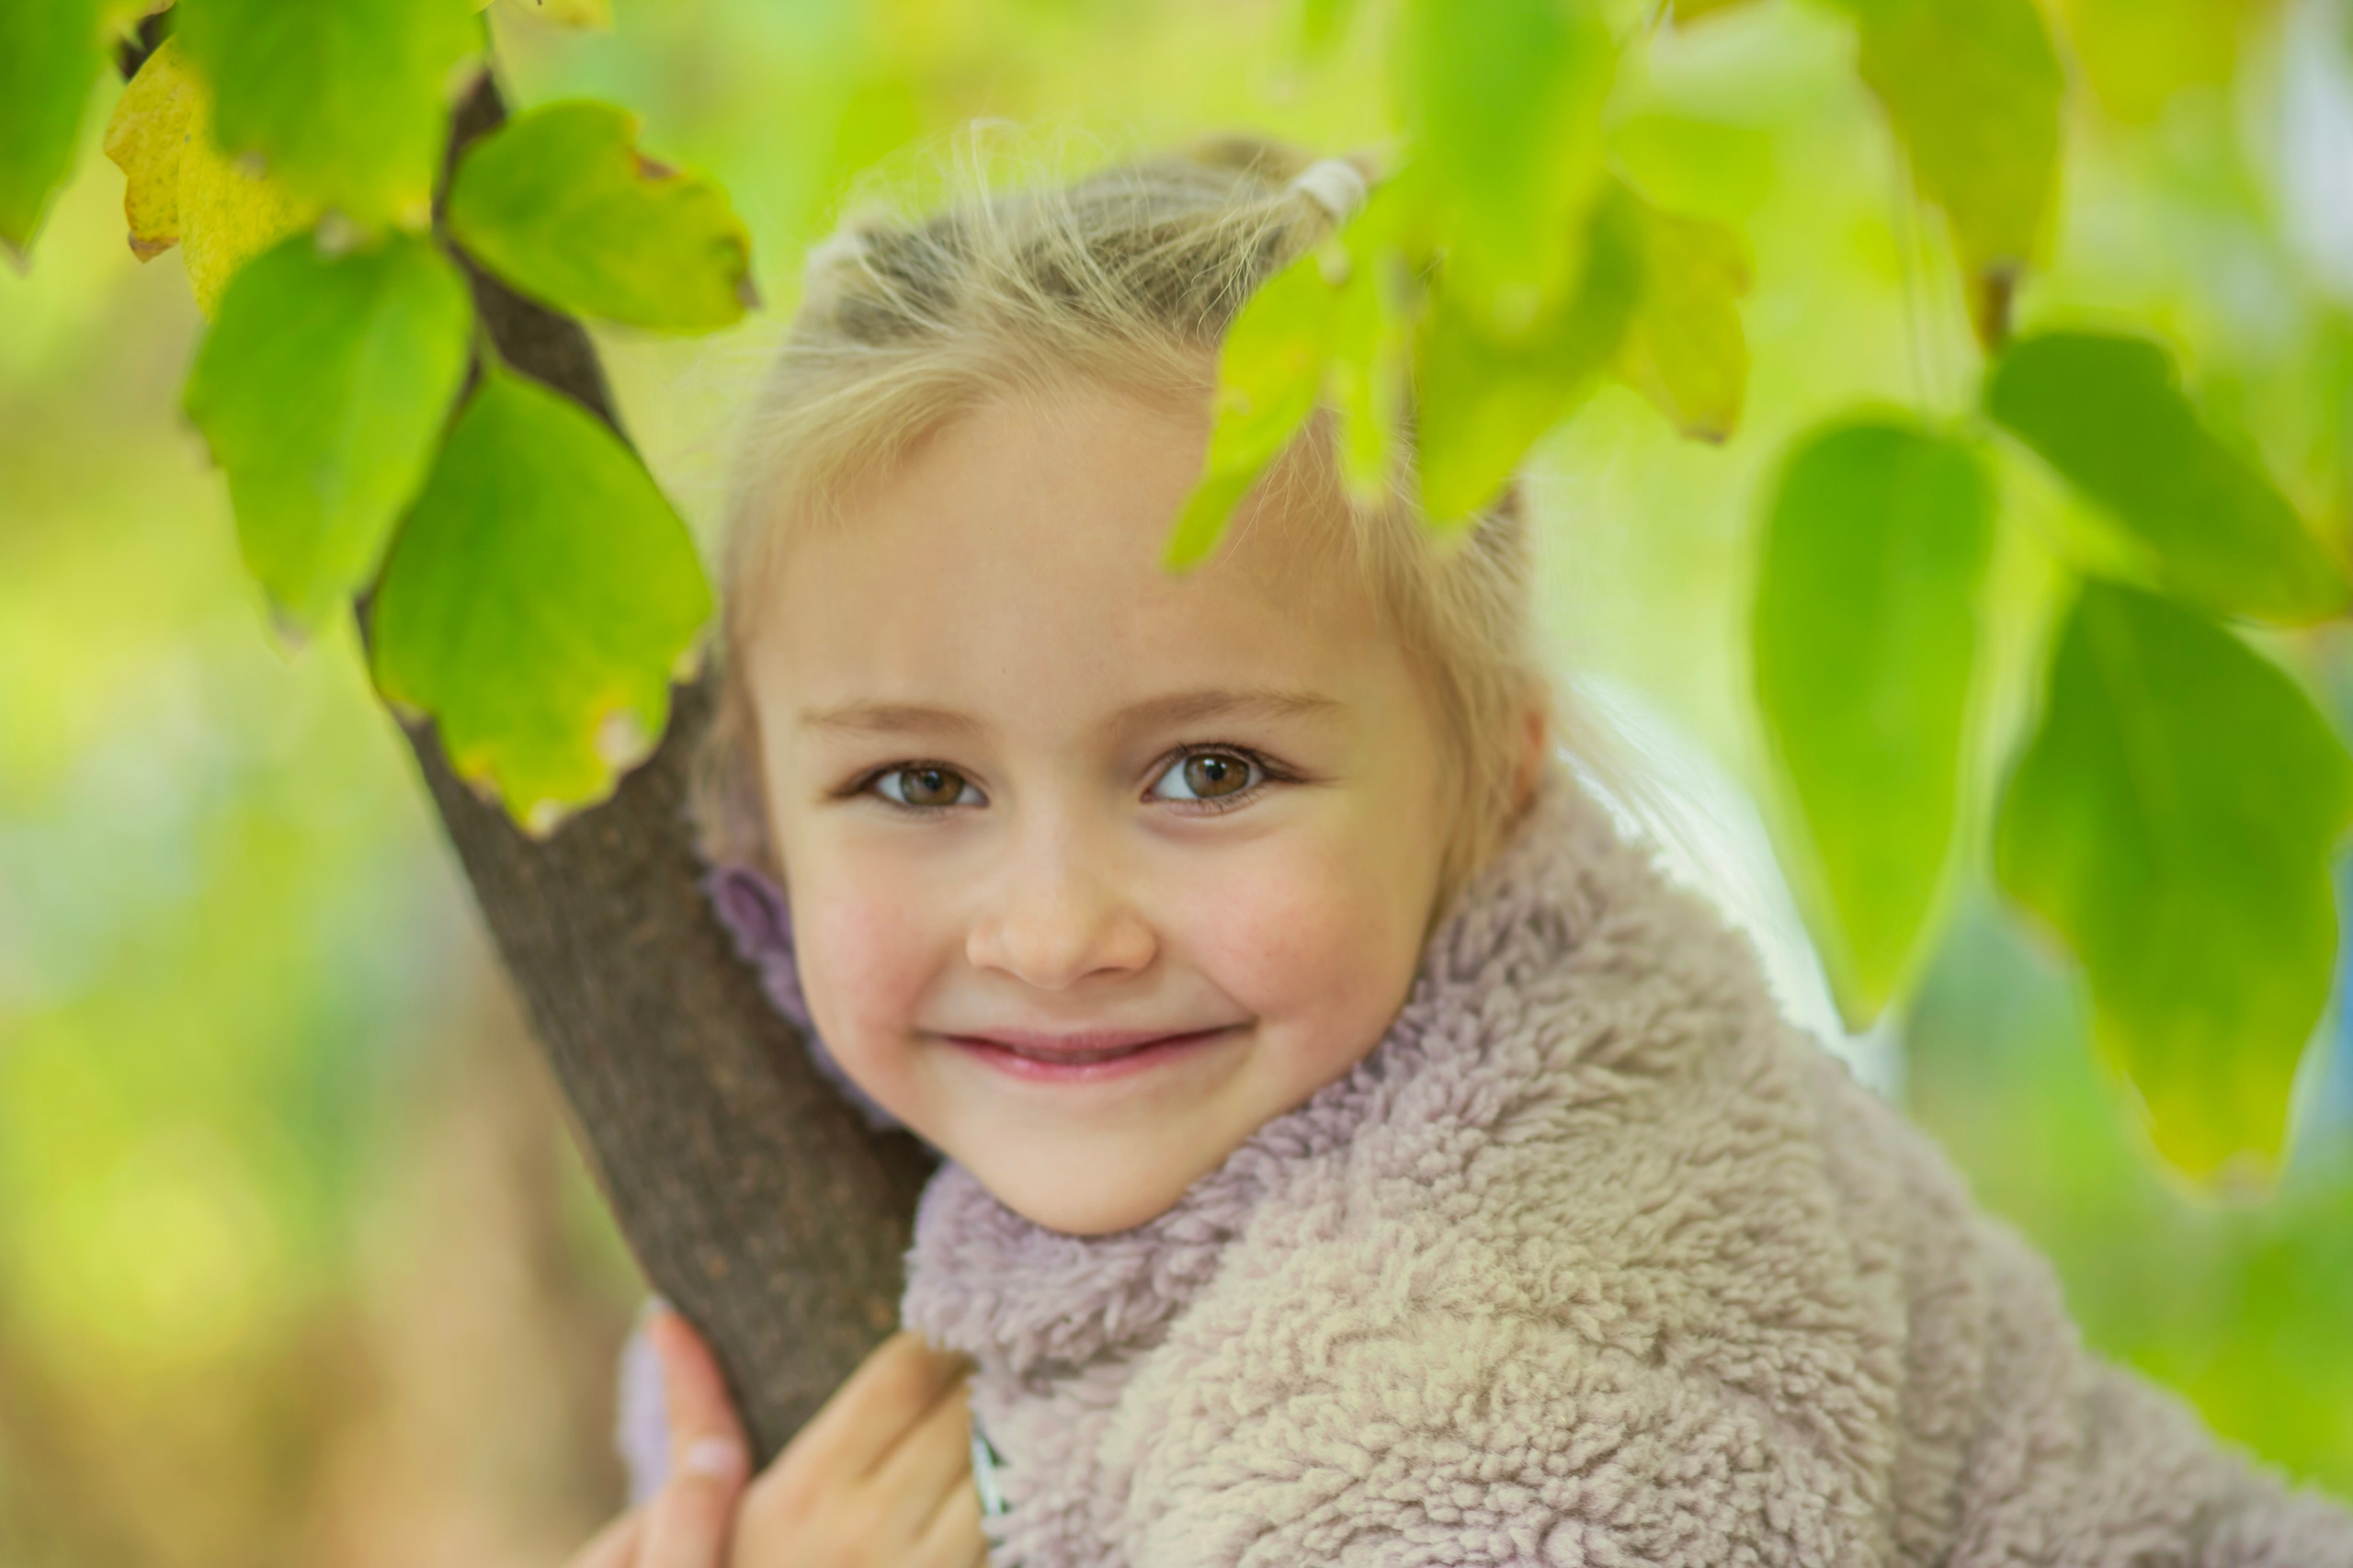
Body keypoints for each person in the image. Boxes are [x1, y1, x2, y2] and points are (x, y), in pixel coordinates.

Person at [562, 135, 2353, 1568]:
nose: (1050, 929)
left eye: (1205, 768)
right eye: (917, 787)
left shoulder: (1490, 1380)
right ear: (756, 823)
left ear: (1493, 776)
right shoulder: (1270, 1071)